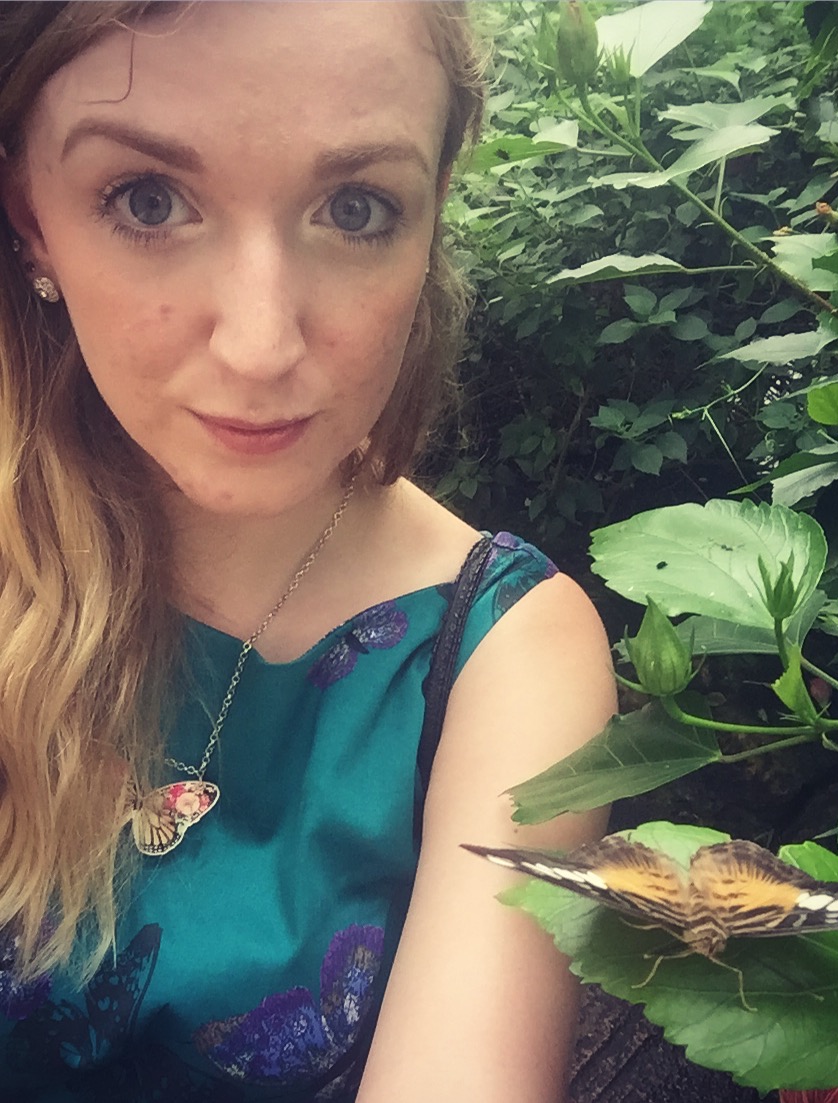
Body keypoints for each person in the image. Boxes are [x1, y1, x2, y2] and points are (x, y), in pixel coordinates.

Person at [0, 3, 616, 1100]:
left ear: (430, 220)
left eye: (355, 207)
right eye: (149, 200)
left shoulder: (501, 657)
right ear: (30, 216)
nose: (260, 341)